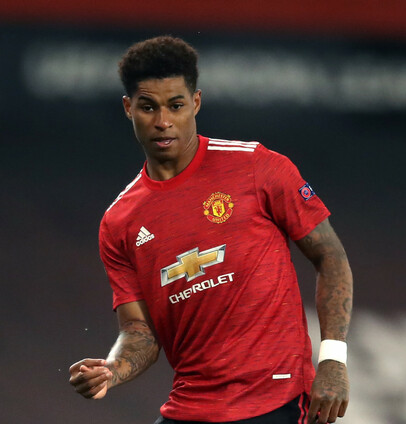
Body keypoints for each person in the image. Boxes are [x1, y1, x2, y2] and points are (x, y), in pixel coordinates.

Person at [69, 35, 353, 424]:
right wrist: (112, 370)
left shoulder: (257, 166)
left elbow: (330, 256)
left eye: (176, 105)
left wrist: (333, 359)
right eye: (148, 107)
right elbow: (140, 330)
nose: (163, 121)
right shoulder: (120, 222)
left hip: (277, 401)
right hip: (191, 406)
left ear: (196, 102)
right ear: (128, 108)